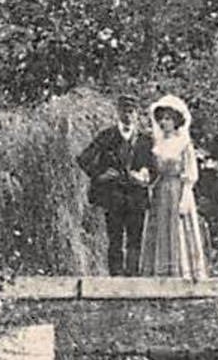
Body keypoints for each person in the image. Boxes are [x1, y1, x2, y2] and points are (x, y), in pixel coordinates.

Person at [76, 91, 152, 275]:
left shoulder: (146, 140)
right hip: (113, 195)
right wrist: (100, 174)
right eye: (124, 111)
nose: (128, 115)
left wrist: (145, 176)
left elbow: (155, 167)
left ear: (137, 114)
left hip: (136, 196)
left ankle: (133, 275)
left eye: (132, 111)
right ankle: (115, 276)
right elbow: (83, 159)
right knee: (115, 237)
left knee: (135, 237)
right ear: (117, 112)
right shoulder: (107, 136)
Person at [139, 94, 209, 279]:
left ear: (177, 120)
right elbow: (153, 169)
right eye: (161, 118)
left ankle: (182, 272)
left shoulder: (184, 143)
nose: (164, 122)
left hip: (178, 189)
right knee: (160, 227)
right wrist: (146, 175)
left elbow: (190, 172)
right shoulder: (156, 144)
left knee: (178, 226)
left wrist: (185, 195)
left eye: (168, 118)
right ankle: (159, 274)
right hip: (160, 190)